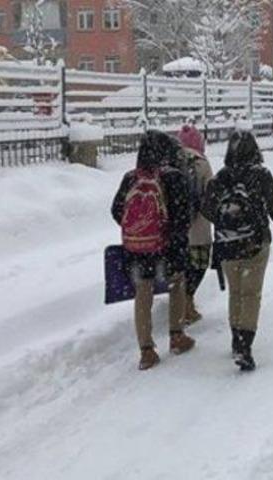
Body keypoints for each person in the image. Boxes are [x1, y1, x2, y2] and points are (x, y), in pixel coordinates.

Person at [202, 131, 273, 371]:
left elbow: (206, 208)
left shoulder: (220, 177)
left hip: (226, 244)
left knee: (236, 293)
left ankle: (235, 339)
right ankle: (245, 346)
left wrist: (225, 221)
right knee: (251, 295)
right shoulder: (261, 175)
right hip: (255, 242)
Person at [111, 130, 196, 371]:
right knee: (177, 284)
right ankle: (177, 335)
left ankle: (146, 350)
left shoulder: (130, 178)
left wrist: (138, 229)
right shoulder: (173, 177)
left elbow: (116, 210)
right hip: (168, 246)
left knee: (143, 293)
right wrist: (169, 235)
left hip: (137, 248)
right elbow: (183, 215)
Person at [177, 124, 214, 325]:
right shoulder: (202, 163)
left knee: (181, 267)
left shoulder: (170, 161)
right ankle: (188, 302)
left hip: (176, 228)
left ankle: (181, 302)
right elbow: (212, 193)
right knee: (198, 266)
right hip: (199, 227)